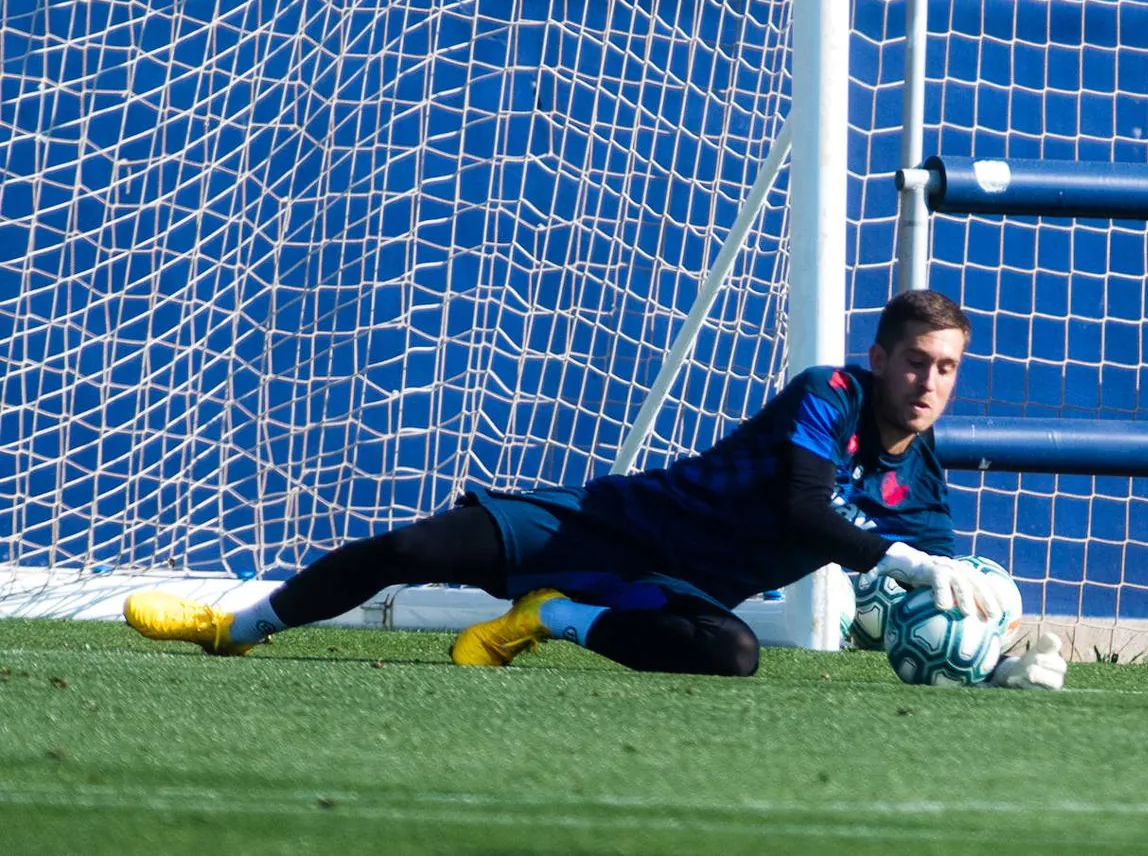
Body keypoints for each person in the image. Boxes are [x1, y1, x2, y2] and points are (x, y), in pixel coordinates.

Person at [123, 289, 1066, 689]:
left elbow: (933, 583)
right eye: (916, 361)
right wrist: (899, 559)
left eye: (946, 368)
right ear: (881, 358)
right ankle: (234, 626)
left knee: (733, 658)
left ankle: (559, 619)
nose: (930, 383)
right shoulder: (830, 394)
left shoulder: (921, 483)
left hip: (682, 587)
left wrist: (997, 650)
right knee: (415, 550)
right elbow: (801, 509)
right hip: (612, 523)